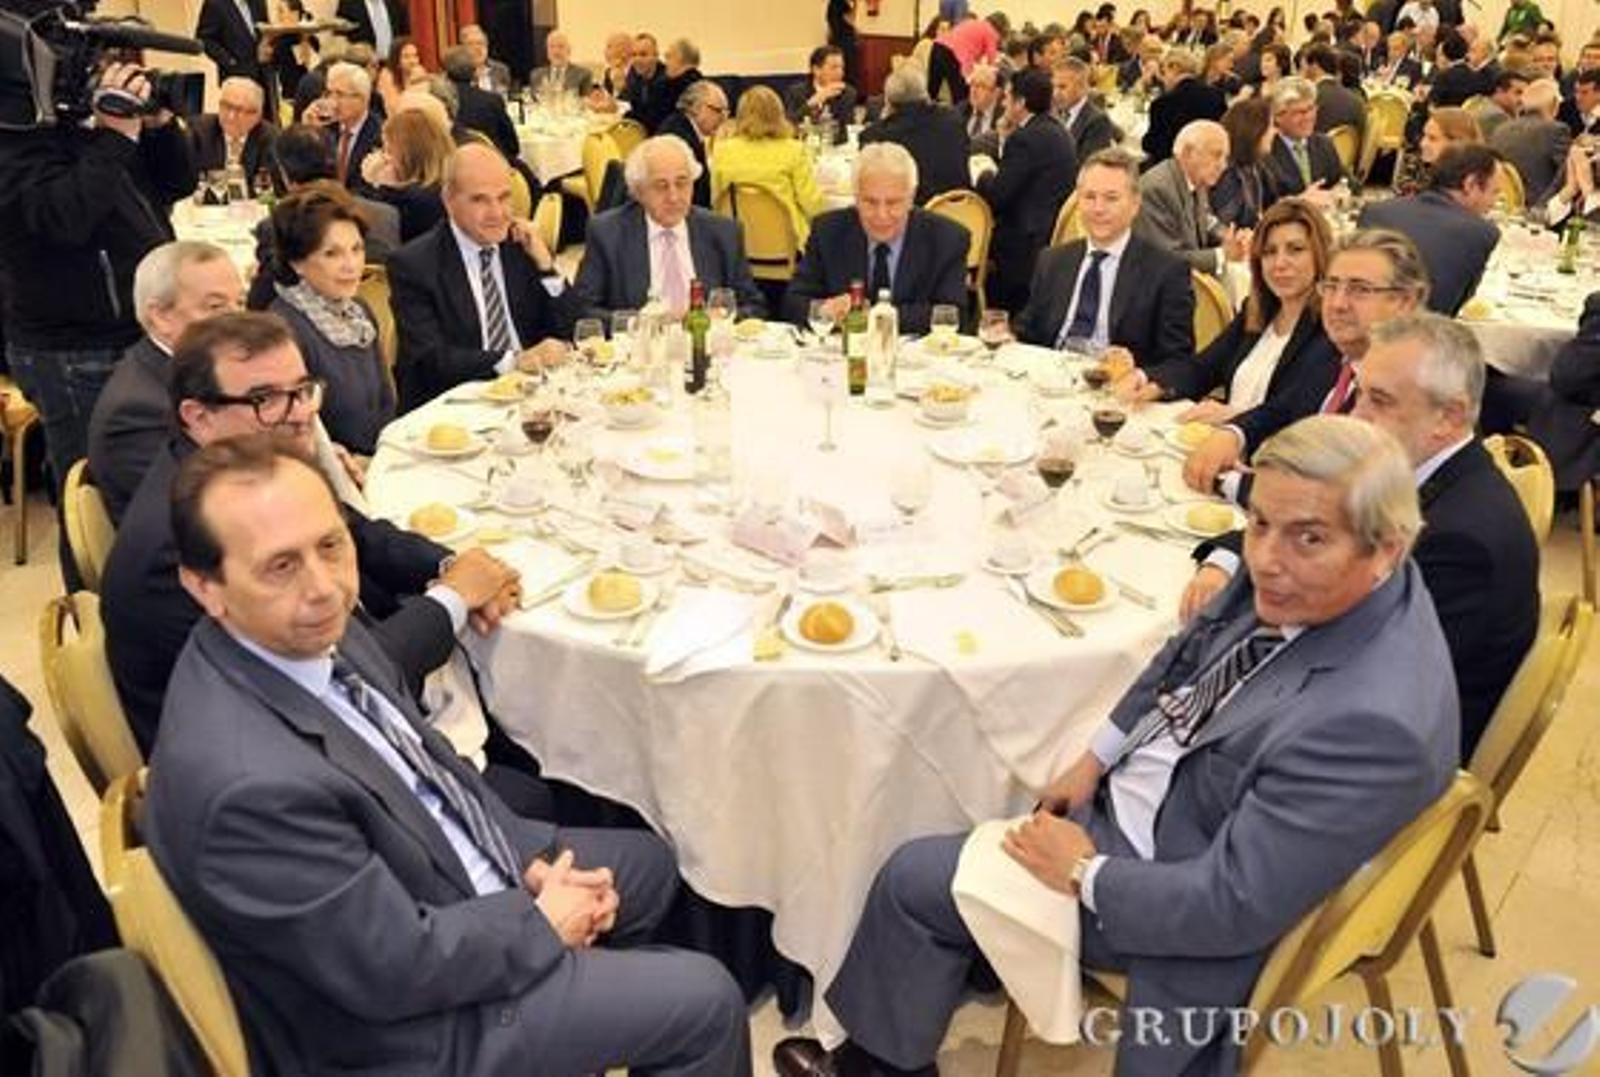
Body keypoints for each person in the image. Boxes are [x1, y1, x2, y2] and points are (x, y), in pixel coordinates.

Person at [774, 413, 1457, 1077]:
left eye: (1307, 538)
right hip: (1175, 787)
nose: (1266, 559)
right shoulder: (1331, 579)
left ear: (1386, 546)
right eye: (1258, 524)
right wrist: (1096, 755)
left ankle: (879, 1061)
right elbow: (1186, 649)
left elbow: (1229, 906)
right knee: (1000, 769)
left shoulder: (1368, 722)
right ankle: (969, 959)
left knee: (910, 875)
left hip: (1173, 886)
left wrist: (1083, 871)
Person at [143, 433, 751, 1077]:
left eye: (330, 545)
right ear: (206, 587)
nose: (324, 586)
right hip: (401, 1033)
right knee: (706, 1002)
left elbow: (426, 767)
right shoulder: (249, 785)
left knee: (653, 864)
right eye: (280, 565)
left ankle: (602, 1011)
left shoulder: (298, 632)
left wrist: (523, 862)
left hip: (435, 893)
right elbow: (391, 970)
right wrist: (538, 925)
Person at [101, 312, 516, 753]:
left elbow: (356, 533)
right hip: (294, 755)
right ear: (199, 417)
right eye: (265, 399)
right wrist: (451, 598)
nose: (300, 414)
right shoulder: (183, 543)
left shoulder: (237, 469)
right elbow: (335, 684)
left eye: (301, 390)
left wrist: (451, 565)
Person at [1186, 315, 1539, 758]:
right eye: (1358, 394)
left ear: (1448, 417)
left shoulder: (1460, 541)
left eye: (1379, 400)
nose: (1356, 417)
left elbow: (1357, 675)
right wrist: (1229, 560)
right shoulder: (1415, 473)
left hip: (1367, 756)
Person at [0, 61, 197, 505]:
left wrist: (159, 125)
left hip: (135, 328)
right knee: (94, 493)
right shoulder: (18, 135)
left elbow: (176, 183)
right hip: (75, 347)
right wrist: (114, 136)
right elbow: (64, 217)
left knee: (151, 486)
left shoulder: (92, 126)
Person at [1182, 228, 1428, 494]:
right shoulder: (1332, 354)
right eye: (1331, 286)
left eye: (1359, 289)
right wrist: (1233, 433)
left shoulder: (1411, 393)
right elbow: (1283, 409)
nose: (1337, 304)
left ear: (1405, 302)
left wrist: (1229, 482)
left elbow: (1336, 500)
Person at [1121, 197, 1337, 430]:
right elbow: (1201, 368)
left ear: (1320, 254)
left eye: (1295, 250)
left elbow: (1295, 418)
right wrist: (1148, 379)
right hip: (1219, 443)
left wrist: (1234, 418)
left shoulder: (1330, 330)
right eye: (1269, 252)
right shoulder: (1256, 313)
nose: (1279, 263)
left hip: (1267, 459)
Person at [388, 144, 574, 410]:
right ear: (448, 200)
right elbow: (430, 360)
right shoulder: (415, 264)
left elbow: (573, 328)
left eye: (504, 197)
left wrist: (546, 265)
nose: (497, 213)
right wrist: (513, 361)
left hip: (534, 397)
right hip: (460, 405)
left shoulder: (520, 245)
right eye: (480, 200)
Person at [87, 242, 245, 524]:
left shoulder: (193, 367)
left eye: (240, 303)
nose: (238, 321)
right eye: (216, 307)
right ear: (161, 316)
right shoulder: (138, 412)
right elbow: (206, 516)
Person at [1015, 148, 1194, 370]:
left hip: (1117, 389)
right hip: (1052, 382)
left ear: (1135, 204)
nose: (1098, 209)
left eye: (1111, 198)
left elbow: (1179, 362)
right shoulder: (1053, 260)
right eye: (1089, 197)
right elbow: (1027, 332)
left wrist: (1135, 368)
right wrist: (1007, 338)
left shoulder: (1165, 271)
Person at [782, 143, 970, 335]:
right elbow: (794, 301)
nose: (882, 215)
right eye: (870, 202)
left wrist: (872, 317)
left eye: (893, 202)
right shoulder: (829, 231)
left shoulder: (947, 239)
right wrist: (824, 310)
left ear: (911, 198)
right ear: (855, 197)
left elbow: (954, 314)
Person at [575, 135, 766, 322]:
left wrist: (722, 318)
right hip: (642, 349)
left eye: (682, 183)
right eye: (661, 186)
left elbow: (754, 306)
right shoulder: (607, 233)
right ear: (639, 191)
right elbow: (582, 309)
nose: (674, 197)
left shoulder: (724, 232)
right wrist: (637, 323)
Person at [265, 184, 394, 455]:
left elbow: (385, 401)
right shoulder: (283, 331)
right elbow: (294, 434)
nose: (351, 265)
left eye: (356, 249)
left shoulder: (358, 310)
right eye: (332, 253)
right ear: (297, 262)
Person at [251, 124, 401, 310]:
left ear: (283, 174)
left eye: (356, 249)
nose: (350, 264)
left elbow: (260, 303)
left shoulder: (279, 225)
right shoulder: (386, 215)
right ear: (337, 161)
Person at [975, 68, 1079, 312]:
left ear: (1021, 103)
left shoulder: (1026, 139)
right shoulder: (1059, 131)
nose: (1003, 101)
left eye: (1008, 96)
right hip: (1051, 234)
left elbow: (997, 197)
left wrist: (983, 174)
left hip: (1023, 245)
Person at [1359, 143, 1500, 314]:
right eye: (1494, 192)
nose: (1494, 203)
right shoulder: (1480, 233)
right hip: (1422, 334)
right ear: (1469, 184)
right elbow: (1456, 305)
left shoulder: (1376, 211)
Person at [708, 87, 825, 247]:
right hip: (787, 249)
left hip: (737, 248)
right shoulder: (793, 151)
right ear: (778, 115)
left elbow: (717, 203)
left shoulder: (722, 151)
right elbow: (813, 207)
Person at [1133, 119, 1251, 275]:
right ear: (1188, 153)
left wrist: (1229, 237)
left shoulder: (1196, 179)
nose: (1223, 165)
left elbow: (1205, 219)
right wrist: (1222, 254)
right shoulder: (1156, 190)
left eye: (1225, 157)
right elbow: (1166, 261)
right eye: (1216, 155)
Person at [858, 66, 970, 205]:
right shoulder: (954, 120)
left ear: (888, 100)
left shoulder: (875, 136)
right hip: (962, 214)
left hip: (913, 221)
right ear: (924, 93)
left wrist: (883, 121)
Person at [359, 109, 451, 241]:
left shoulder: (410, 200)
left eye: (388, 150)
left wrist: (378, 182)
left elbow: (382, 227)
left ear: (408, 153)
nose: (385, 158)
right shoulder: (444, 183)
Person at [187, 76, 278, 198]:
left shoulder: (272, 138)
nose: (230, 116)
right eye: (226, 106)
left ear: (257, 115)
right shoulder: (198, 130)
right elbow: (190, 181)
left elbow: (268, 188)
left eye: (239, 110)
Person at [1261, 77, 1347, 203]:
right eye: (1299, 112)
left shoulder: (1323, 143)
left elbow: (1347, 182)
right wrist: (1299, 201)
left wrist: (1340, 190)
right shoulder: (1266, 151)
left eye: (1311, 108)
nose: (1309, 117)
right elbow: (1261, 206)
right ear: (1278, 116)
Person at [1489, 76, 1572, 203]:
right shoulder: (1557, 130)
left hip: (1503, 203)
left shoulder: (1501, 129)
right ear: (1555, 104)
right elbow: (1567, 175)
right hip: (1539, 207)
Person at [1141, 47, 1228, 164]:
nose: (1163, 79)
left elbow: (1152, 145)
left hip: (1173, 170)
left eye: (1164, 72)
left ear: (1174, 68)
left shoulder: (1163, 103)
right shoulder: (1216, 96)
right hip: (1206, 165)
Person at [310, 61, 383, 192]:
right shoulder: (325, 127)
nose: (332, 102)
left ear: (362, 99)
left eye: (339, 94)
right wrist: (308, 131)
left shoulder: (380, 135)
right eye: (329, 93)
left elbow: (371, 190)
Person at [442, 45, 520, 164]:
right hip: (492, 164)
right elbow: (512, 146)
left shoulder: (438, 102)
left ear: (445, 73)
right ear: (475, 72)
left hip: (450, 167)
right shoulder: (492, 100)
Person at [660, 80, 728, 209]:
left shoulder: (680, 124)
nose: (723, 119)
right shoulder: (682, 141)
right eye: (718, 111)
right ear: (697, 108)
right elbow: (698, 199)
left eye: (726, 113)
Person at [1211, 96, 1274, 228]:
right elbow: (1225, 228)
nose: (1274, 132)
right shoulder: (1227, 174)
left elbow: (1270, 206)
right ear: (1255, 131)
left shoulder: (1255, 164)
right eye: (1271, 127)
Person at [782, 46, 860, 139]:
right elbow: (788, 125)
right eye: (834, 68)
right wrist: (811, 103)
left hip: (835, 148)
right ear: (816, 70)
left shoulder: (848, 93)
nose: (840, 72)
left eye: (842, 67)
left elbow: (847, 128)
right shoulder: (795, 92)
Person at [1051, 57, 1118, 160]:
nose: (1055, 93)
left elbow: (1087, 167)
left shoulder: (1097, 121)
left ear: (1082, 87)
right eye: (1053, 87)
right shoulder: (1053, 113)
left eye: (1062, 87)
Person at [197, 0, 270, 85]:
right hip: (235, 78)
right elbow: (205, 39)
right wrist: (229, 61)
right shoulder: (214, 4)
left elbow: (265, 31)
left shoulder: (259, 2)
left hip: (264, 75)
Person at [1302, 43, 1366, 134]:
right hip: (1348, 148)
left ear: (1314, 66)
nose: (1303, 72)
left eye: (1304, 66)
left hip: (1315, 147)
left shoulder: (1309, 99)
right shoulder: (1357, 101)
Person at [622, 33, 674, 133]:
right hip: (639, 133)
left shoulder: (667, 79)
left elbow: (652, 119)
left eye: (643, 55)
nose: (637, 60)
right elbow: (626, 99)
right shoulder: (633, 72)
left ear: (655, 56)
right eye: (634, 55)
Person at [529, 29, 594, 96]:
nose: (556, 52)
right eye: (552, 47)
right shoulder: (536, 75)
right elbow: (532, 102)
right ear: (547, 52)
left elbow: (586, 103)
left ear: (569, 50)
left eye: (561, 46)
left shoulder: (583, 75)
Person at [1471, 67, 1531, 139]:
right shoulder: (1495, 116)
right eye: (1518, 92)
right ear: (1499, 91)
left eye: (1525, 94)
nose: (1522, 99)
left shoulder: (1486, 105)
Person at [334, 0, 407, 56]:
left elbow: (403, 34)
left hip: (392, 64)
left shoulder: (394, 3)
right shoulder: (348, 4)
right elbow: (339, 36)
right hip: (363, 66)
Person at [374, 36, 424, 115]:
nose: (413, 61)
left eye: (415, 56)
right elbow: (394, 109)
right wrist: (411, 84)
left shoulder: (420, 72)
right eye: (406, 57)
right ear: (396, 59)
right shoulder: (387, 75)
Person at [956, 63, 1004, 145]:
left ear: (996, 93)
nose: (973, 91)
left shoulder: (1004, 116)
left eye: (981, 86)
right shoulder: (959, 111)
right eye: (972, 84)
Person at [459, 24, 513, 96]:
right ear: (462, 48)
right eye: (471, 44)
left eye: (481, 43)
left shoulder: (501, 70)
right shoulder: (458, 73)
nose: (477, 48)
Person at [662, 38, 706, 117]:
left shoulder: (680, 87)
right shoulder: (702, 84)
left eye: (668, 56)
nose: (665, 63)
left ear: (679, 58)